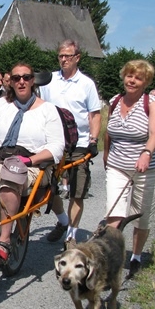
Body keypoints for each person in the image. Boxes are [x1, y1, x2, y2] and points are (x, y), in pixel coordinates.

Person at [0, 62, 65, 267]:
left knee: (12, 172)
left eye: (26, 77)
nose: (21, 81)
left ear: (33, 81)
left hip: (34, 163)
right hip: (2, 155)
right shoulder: (3, 105)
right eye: (16, 78)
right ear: (10, 81)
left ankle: (3, 242)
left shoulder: (48, 110)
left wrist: (30, 160)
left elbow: (56, 147)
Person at [103, 60, 155, 279]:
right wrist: (106, 156)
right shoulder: (114, 101)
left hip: (148, 168)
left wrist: (146, 154)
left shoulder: (152, 103)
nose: (132, 80)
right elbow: (108, 132)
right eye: (130, 76)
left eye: (138, 78)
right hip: (117, 166)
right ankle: (111, 258)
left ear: (146, 82)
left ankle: (137, 256)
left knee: (141, 215)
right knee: (114, 213)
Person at [38, 39, 101, 243]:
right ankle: (63, 221)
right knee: (47, 187)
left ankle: (71, 237)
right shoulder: (50, 80)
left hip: (79, 144)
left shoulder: (86, 84)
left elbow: (94, 114)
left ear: (77, 58)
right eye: (60, 56)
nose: (63, 60)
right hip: (52, 142)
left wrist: (93, 139)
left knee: (77, 191)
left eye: (68, 56)